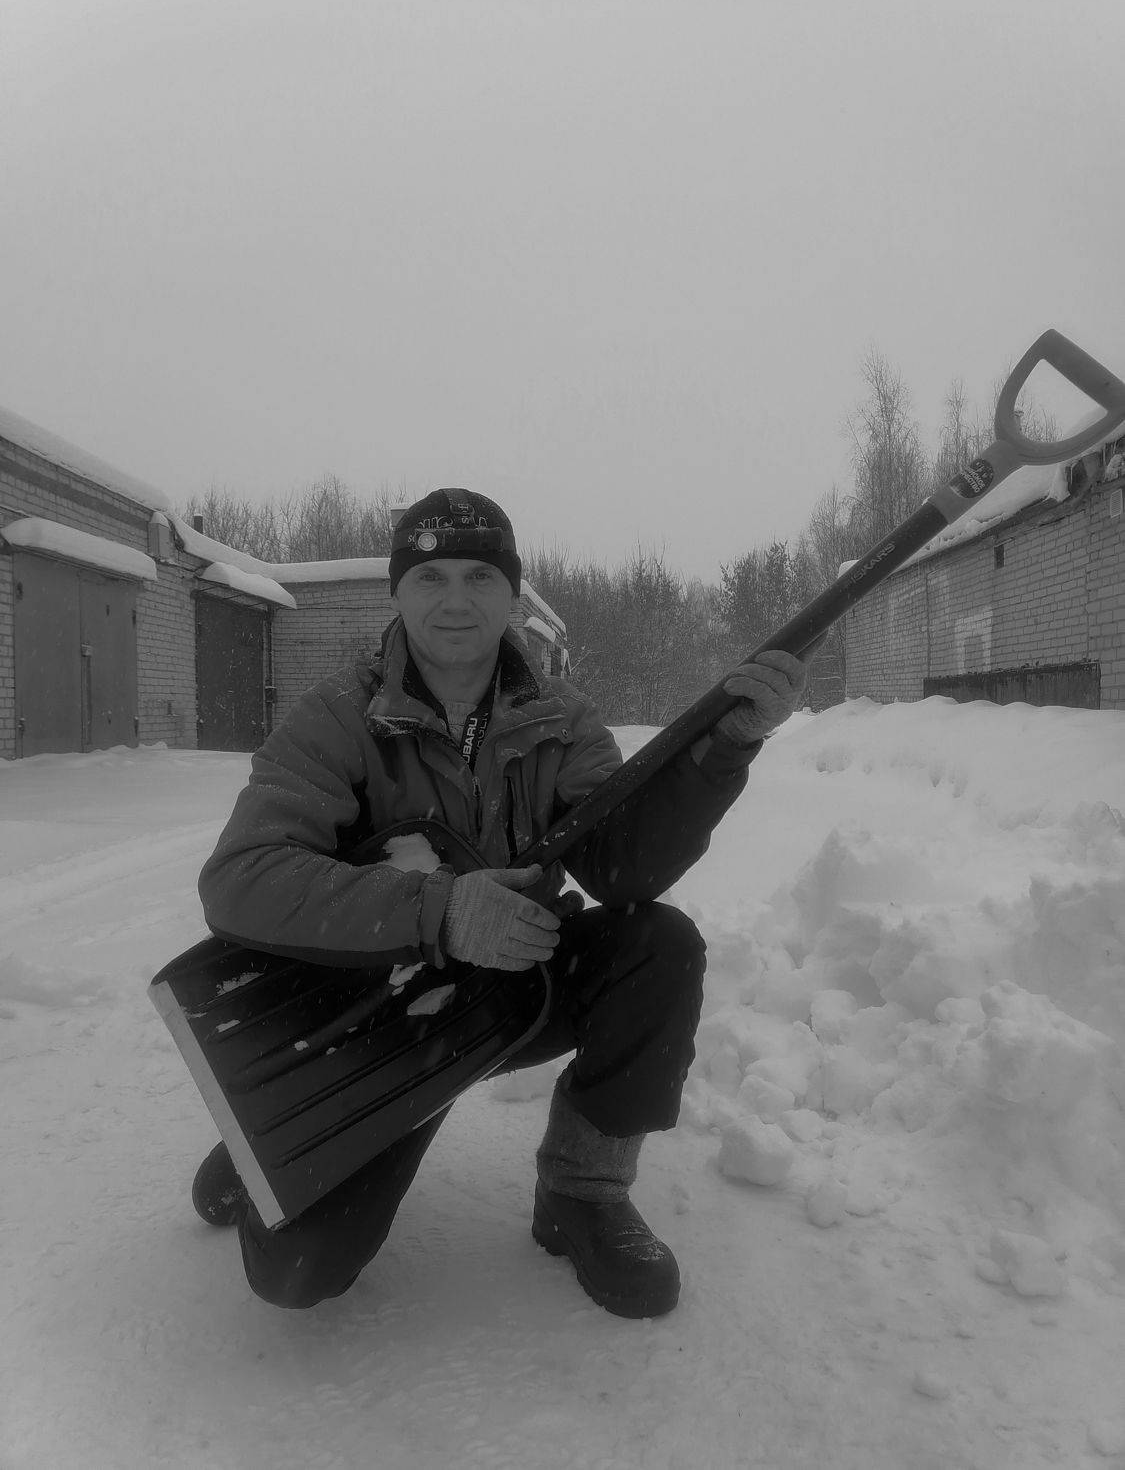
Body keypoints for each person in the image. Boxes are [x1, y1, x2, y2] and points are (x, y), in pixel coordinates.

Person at [191, 489, 811, 1319]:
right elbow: (241, 878)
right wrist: (439, 909)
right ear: (397, 591)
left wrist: (724, 752)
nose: (455, 600)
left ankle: (582, 1193)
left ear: (512, 593)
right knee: (299, 1274)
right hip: (376, 1016)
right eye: (431, 577)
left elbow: (625, 870)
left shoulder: (562, 719)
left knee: (657, 946)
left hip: (511, 989)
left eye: (480, 576)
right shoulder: (337, 715)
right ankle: (271, 1130)